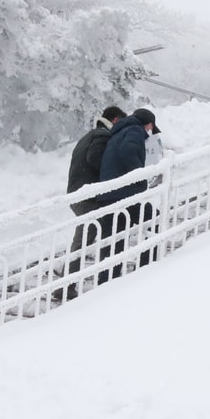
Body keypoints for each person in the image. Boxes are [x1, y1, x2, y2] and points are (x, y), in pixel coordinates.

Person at [62, 107, 126, 300]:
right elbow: (95, 159)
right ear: (115, 120)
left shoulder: (90, 135)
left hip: (78, 194)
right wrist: (113, 174)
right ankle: (70, 284)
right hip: (88, 196)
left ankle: (67, 282)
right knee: (92, 236)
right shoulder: (102, 136)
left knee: (87, 237)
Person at [97, 108, 157, 279]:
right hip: (125, 191)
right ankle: (147, 265)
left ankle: (107, 279)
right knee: (154, 219)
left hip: (110, 192)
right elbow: (127, 151)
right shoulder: (135, 130)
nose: (149, 131)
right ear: (147, 123)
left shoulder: (119, 131)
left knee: (115, 238)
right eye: (151, 127)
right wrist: (139, 176)